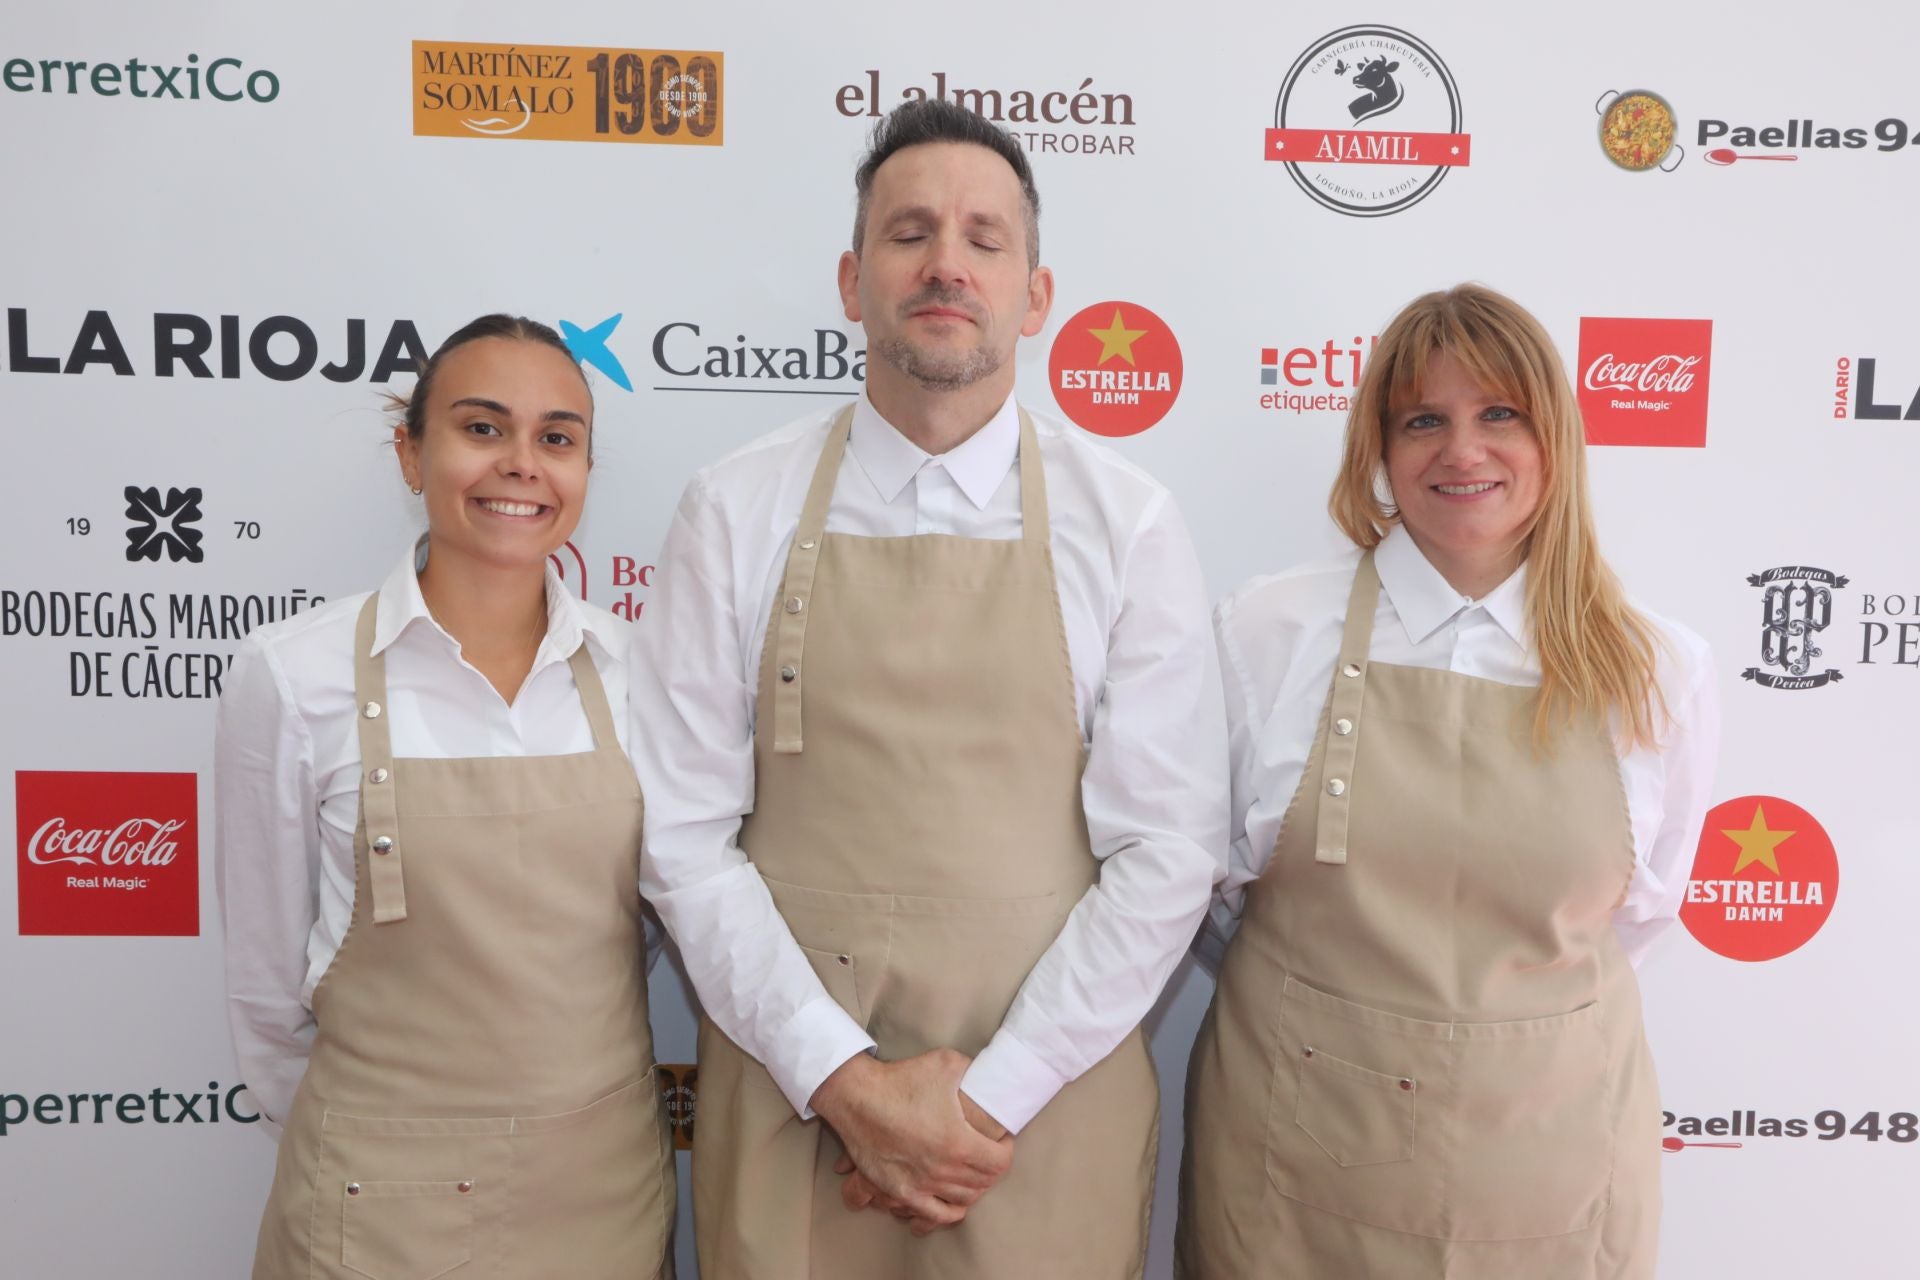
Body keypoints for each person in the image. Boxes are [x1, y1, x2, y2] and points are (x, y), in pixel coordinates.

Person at [632, 98, 1227, 1277]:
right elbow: (683, 836)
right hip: (802, 1109)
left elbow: (1168, 851)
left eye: (982, 238)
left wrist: (983, 1103)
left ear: (1035, 296)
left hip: (1039, 1121)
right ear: (852, 281)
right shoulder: (733, 509)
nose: (946, 262)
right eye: (909, 233)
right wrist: (846, 1083)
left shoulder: (1128, 523)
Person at [1178, 284, 1719, 1279]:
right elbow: (1199, 894)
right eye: (1423, 420)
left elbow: (1643, 914)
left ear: (1553, 436)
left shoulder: (1658, 670)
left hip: (1556, 1179)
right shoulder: (1266, 632)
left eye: (1499, 413)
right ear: (1379, 450)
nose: (1463, 451)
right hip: (1295, 1164)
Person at [216, 315, 675, 1280]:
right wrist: (379, 1143)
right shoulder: (294, 676)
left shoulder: (647, 677)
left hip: (599, 1196)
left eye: (557, 438)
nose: (521, 464)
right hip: (373, 1208)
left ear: (586, 469)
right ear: (410, 453)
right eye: (482, 428)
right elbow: (266, 998)